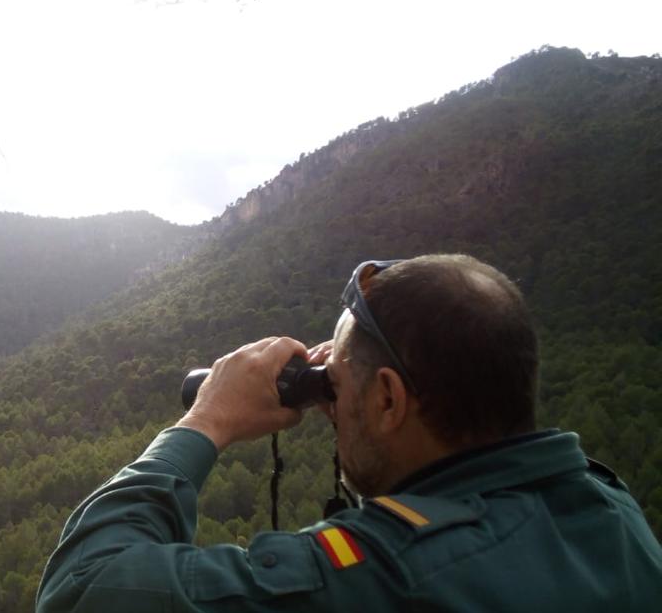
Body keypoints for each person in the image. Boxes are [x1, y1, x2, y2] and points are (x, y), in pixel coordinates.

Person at [35, 254, 662, 612]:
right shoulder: (612, 511)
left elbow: (79, 591)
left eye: (334, 384)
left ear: (389, 398)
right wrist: (347, 378)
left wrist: (207, 420)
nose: (329, 403)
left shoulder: (381, 577)